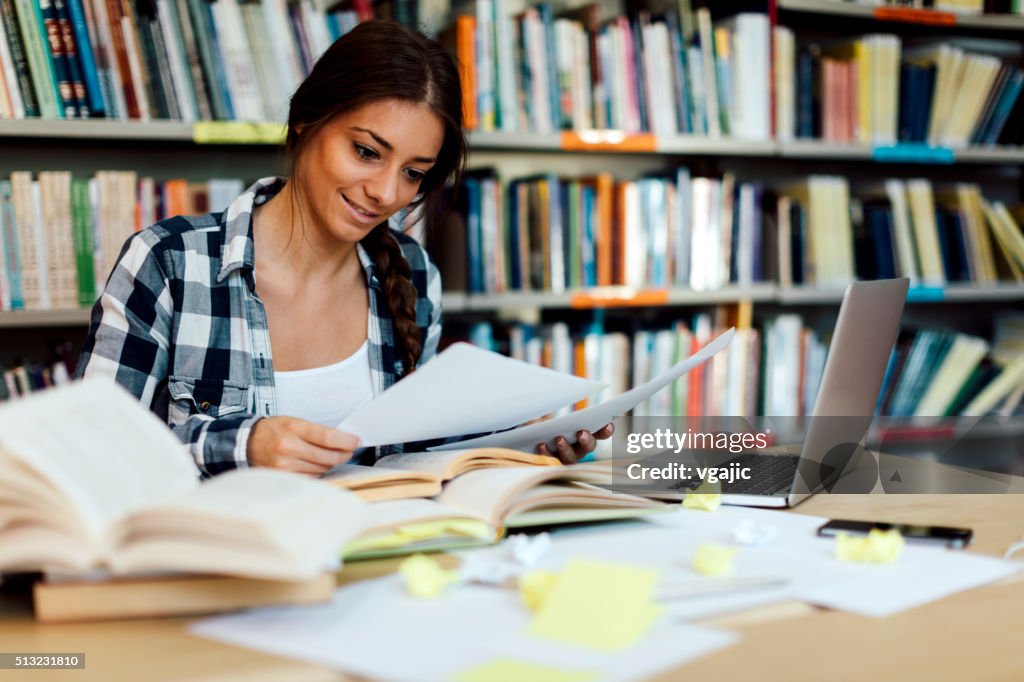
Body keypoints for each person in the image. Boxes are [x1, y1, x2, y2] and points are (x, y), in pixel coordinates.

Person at [77, 20, 612, 477]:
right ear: (307, 119)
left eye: (413, 174)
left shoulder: (414, 275)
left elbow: (413, 463)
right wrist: (245, 445)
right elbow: (88, 458)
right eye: (365, 151)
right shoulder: (169, 264)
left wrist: (525, 448)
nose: (386, 193)